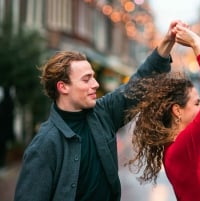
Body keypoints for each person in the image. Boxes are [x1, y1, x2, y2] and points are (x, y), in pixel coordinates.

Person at [14, 20, 188, 201]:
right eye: (86, 79)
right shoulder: (44, 145)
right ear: (63, 87)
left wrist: (167, 42)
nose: (95, 84)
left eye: (94, 78)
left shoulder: (102, 114)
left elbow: (139, 85)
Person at [124, 25, 200, 201]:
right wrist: (196, 43)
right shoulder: (180, 150)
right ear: (177, 110)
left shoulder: (176, 148)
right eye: (196, 103)